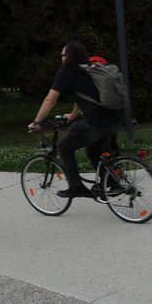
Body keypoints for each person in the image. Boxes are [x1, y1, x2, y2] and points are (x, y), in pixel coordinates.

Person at [28, 41, 119, 198]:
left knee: (64, 147)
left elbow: (50, 100)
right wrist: (73, 114)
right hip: (113, 120)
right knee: (93, 151)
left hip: (95, 123)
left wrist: (36, 122)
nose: (61, 58)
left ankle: (76, 186)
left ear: (68, 57)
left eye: (62, 55)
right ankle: (113, 184)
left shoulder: (65, 73)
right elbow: (84, 95)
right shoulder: (90, 70)